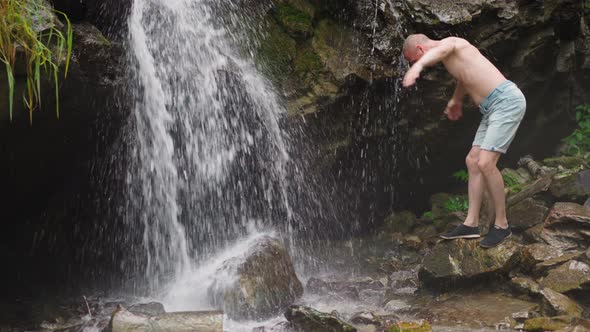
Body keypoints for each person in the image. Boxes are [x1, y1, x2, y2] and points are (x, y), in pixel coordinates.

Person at [402, 34, 526, 248]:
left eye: (412, 59)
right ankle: (471, 224)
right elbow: (464, 78)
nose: (413, 64)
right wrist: (456, 100)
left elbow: (441, 50)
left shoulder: (451, 43)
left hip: (506, 102)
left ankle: (502, 225)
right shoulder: (451, 57)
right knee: (473, 160)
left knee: (486, 163)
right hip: (490, 109)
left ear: (421, 50)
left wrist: (417, 67)